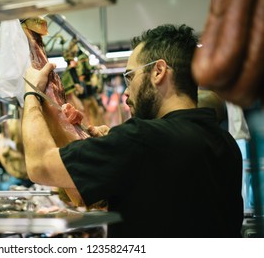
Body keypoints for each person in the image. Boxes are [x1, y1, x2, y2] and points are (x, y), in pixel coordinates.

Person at [22, 24, 243, 238]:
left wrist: (31, 93)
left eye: (130, 76)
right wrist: (107, 150)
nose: (127, 91)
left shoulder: (141, 138)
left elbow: (39, 165)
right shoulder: (225, 143)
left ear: (158, 71)